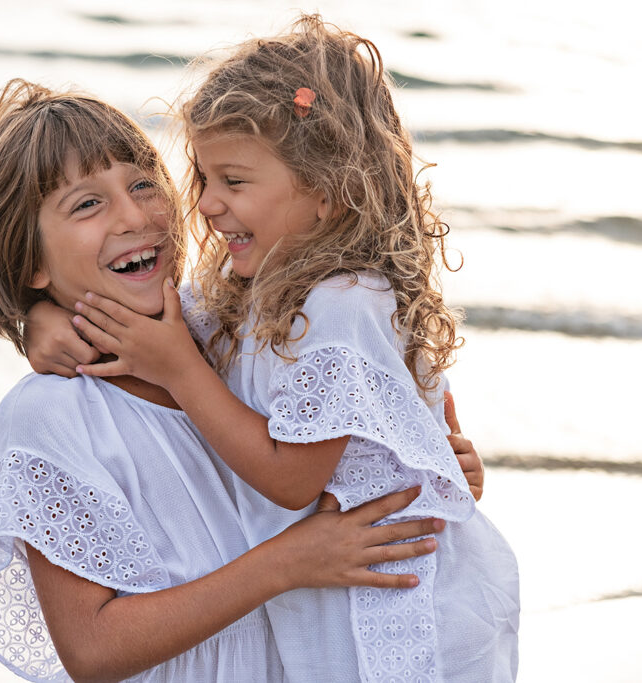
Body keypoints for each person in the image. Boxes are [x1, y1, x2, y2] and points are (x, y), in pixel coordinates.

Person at [46, 15, 520, 682]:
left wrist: (181, 370)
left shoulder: (345, 302)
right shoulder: (260, 290)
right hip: (333, 598)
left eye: (233, 181)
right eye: (203, 179)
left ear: (326, 192)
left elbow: (292, 479)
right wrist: (44, 318)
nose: (205, 205)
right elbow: (156, 320)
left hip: (403, 611)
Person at [0, 78, 455, 683]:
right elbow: (92, 650)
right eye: (88, 204)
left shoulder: (235, 334)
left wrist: (445, 466)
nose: (135, 216)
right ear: (27, 257)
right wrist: (285, 564)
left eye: (144, 185)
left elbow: (364, 425)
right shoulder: (50, 414)